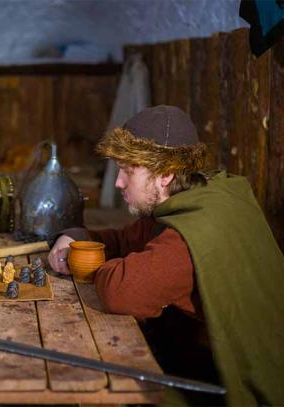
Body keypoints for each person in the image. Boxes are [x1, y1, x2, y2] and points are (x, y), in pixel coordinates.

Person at [48, 105, 284, 405]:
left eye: (128, 171)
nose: (119, 182)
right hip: (200, 359)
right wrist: (78, 237)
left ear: (165, 174)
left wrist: (90, 262)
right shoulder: (194, 199)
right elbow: (125, 240)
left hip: (234, 387)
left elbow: (123, 292)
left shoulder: (192, 232)